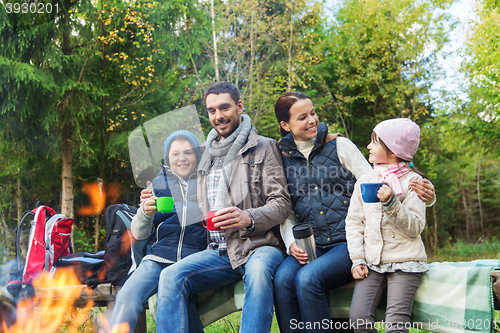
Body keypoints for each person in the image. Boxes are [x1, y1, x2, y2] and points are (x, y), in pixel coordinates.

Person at [273, 91, 435, 333]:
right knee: (283, 280)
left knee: (308, 279)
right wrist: (289, 243)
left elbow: (377, 181)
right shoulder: (282, 158)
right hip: (310, 245)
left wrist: (427, 196)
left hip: (347, 243)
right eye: (302, 117)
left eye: (313, 113)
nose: (312, 120)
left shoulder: (340, 145)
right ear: (285, 125)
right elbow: (285, 209)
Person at [153, 81, 291, 333]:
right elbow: (178, 178)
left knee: (259, 273)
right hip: (219, 251)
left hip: (260, 245)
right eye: (212, 110)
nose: (218, 116)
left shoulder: (264, 147)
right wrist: (150, 197)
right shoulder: (204, 152)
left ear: (239, 106)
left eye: (224, 108)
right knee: (170, 276)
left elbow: (281, 203)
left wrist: (247, 217)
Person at [109, 130, 207, 332]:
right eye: (175, 153)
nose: (182, 158)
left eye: (188, 153)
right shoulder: (157, 184)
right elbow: (138, 233)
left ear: (197, 156)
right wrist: (145, 212)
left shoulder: (208, 181)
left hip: (194, 258)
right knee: (127, 296)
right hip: (158, 257)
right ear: (168, 157)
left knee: (173, 294)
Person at [346, 118, 428, 333]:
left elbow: (415, 227)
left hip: (405, 261)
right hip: (372, 262)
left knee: (395, 325)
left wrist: (392, 203)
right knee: (358, 319)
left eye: (374, 142)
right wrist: (357, 259)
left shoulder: (414, 183)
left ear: (393, 151)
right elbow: (354, 223)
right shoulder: (365, 181)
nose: (368, 146)